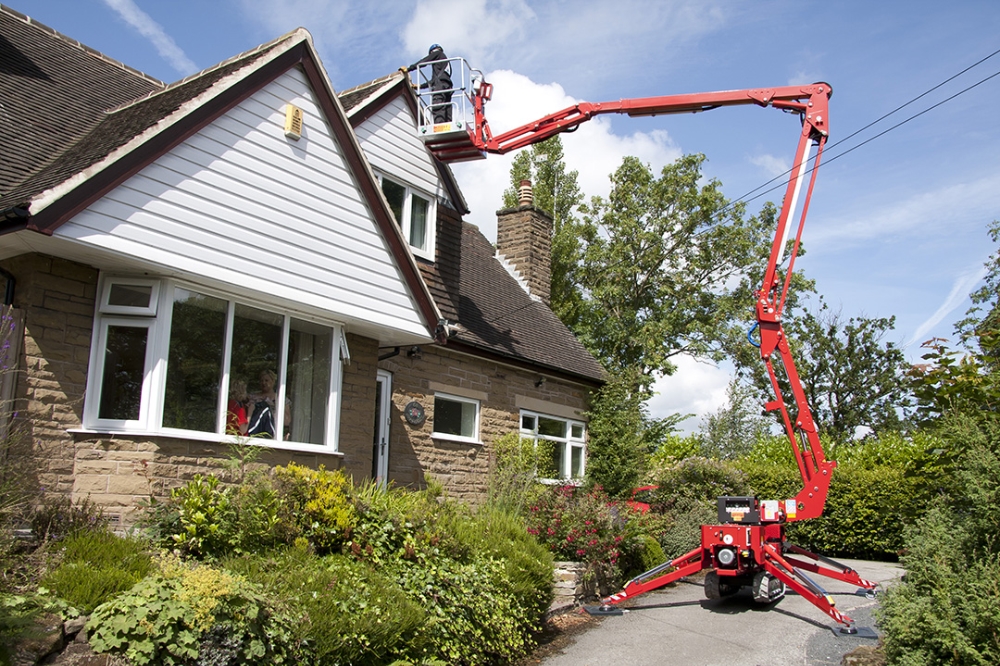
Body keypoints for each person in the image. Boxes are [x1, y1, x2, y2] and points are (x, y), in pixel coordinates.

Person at [407, 44, 453, 123]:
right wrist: (420, 86)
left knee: (438, 108)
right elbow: (433, 81)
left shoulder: (438, 54)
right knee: (446, 110)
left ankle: (439, 127)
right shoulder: (445, 64)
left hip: (440, 87)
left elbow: (424, 61)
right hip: (447, 87)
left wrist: (409, 68)